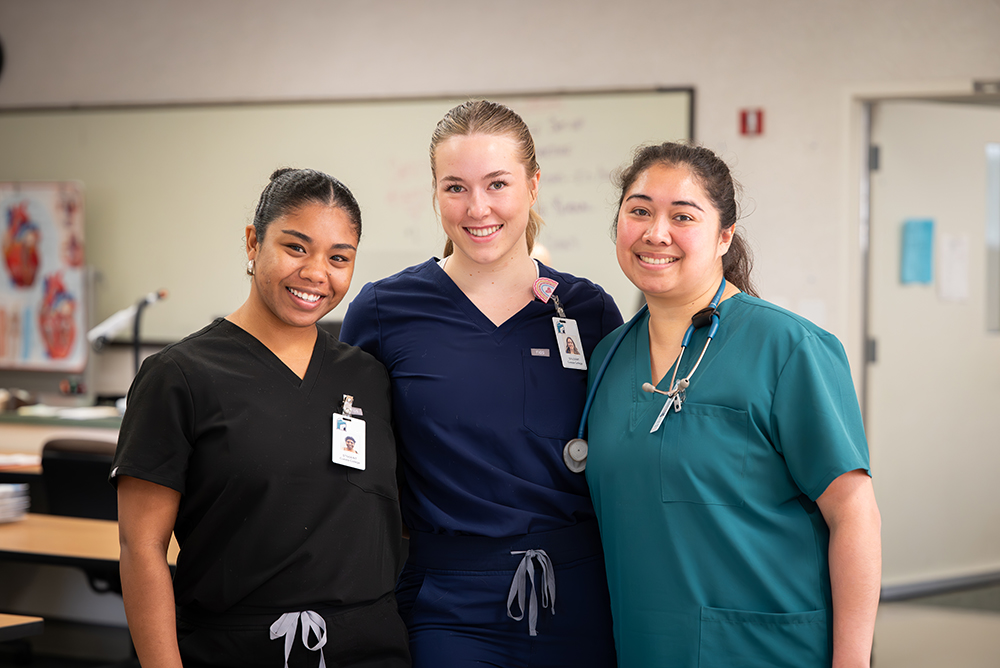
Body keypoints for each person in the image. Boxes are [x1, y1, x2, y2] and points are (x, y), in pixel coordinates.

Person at [340, 100, 622, 667]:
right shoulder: (384, 309)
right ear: (436, 192)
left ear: (534, 185)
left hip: (582, 594)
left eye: (497, 184)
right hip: (448, 601)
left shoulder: (589, 311)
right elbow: (351, 460)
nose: (477, 208)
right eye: (456, 187)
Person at [584, 142, 882, 668]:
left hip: (766, 649)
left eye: (682, 215)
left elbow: (854, 513)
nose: (656, 233)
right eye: (639, 211)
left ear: (724, 236)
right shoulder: (609, 357)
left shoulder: (788, 348)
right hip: (644, 646)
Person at [112, 168, 411, 668]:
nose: (318, 273)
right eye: (296, 248)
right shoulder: (179, 376)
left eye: (339, 258)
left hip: (369, 649)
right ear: (253, 243)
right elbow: (141, 546)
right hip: (233, 648)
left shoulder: (368, 377)